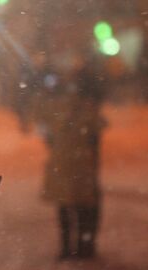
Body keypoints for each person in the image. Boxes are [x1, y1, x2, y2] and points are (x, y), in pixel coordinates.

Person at [33, 54, 107, 259]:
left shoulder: (54, 106)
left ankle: (68, 247)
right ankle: (84, 245)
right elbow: (95, 135)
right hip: (79, 160)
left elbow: (45, 130)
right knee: (83, 205)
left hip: (64, 160)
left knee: (65, 205)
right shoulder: (87, 107)